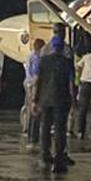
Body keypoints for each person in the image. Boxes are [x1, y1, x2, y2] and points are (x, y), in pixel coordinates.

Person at [34, 36, 75, 173]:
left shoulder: (43, 61)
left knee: (45, 127)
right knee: (60, 129)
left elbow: (38, 81)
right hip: (61, 99)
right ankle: (58, 157)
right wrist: (73, 99)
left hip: (45, 99)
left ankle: (45, 154)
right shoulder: (67, 62)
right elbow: (70, 83)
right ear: (63, 48)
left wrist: (35, 99)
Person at [21, 38, 45, 142]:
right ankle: (31, 132)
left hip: (28, 82)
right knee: (33, 108)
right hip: (32, 84)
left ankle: (26, 128)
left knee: (28, 106)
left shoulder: (30, 55)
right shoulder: (37, 57)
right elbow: (35, 75)